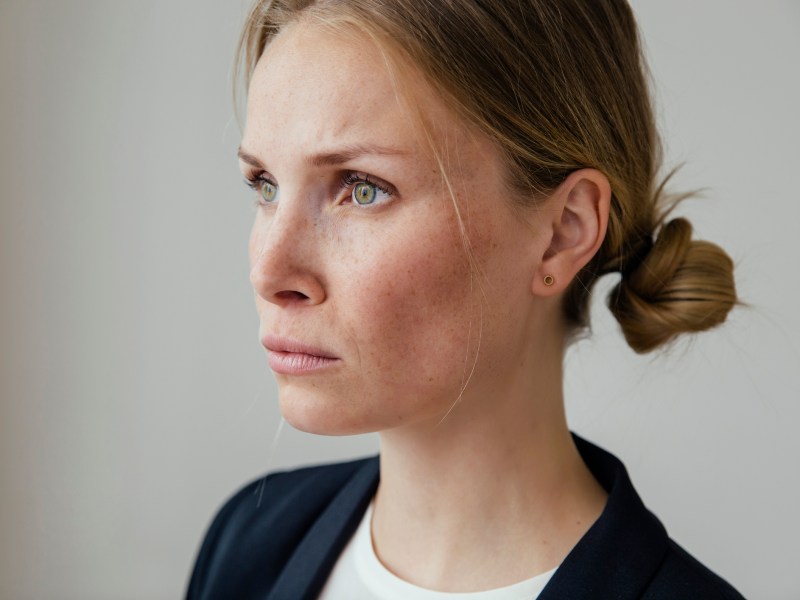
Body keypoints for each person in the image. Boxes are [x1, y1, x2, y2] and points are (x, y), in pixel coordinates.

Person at [187, 1, 744, 598]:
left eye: (363, 188)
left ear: (563, 231)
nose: (269, 271)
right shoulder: (248, 543)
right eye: (265, 185)